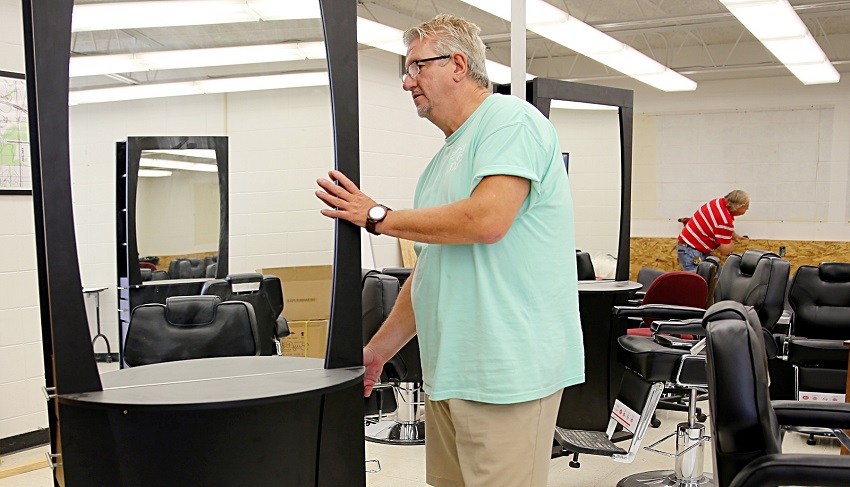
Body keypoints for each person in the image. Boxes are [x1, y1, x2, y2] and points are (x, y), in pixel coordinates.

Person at [315, 14, 584, 487]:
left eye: (417, 67)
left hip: (507, 374)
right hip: (451, 372)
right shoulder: (443, 159)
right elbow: (430, 271)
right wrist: (378, 350)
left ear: (458, 64)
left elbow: (487, 220)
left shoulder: (510, 120)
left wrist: (377, 216)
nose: (406, 82)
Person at [677, 190, 750, 271]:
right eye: (746, 207)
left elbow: (719, 226)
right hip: (692, 251)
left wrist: (734, 236)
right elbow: (725, 251)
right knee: (697, 281)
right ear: (739, 206)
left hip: (692, 247)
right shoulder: (724, 220)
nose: (747, 209)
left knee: (716, 276)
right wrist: (731, 244)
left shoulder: (718, 202)